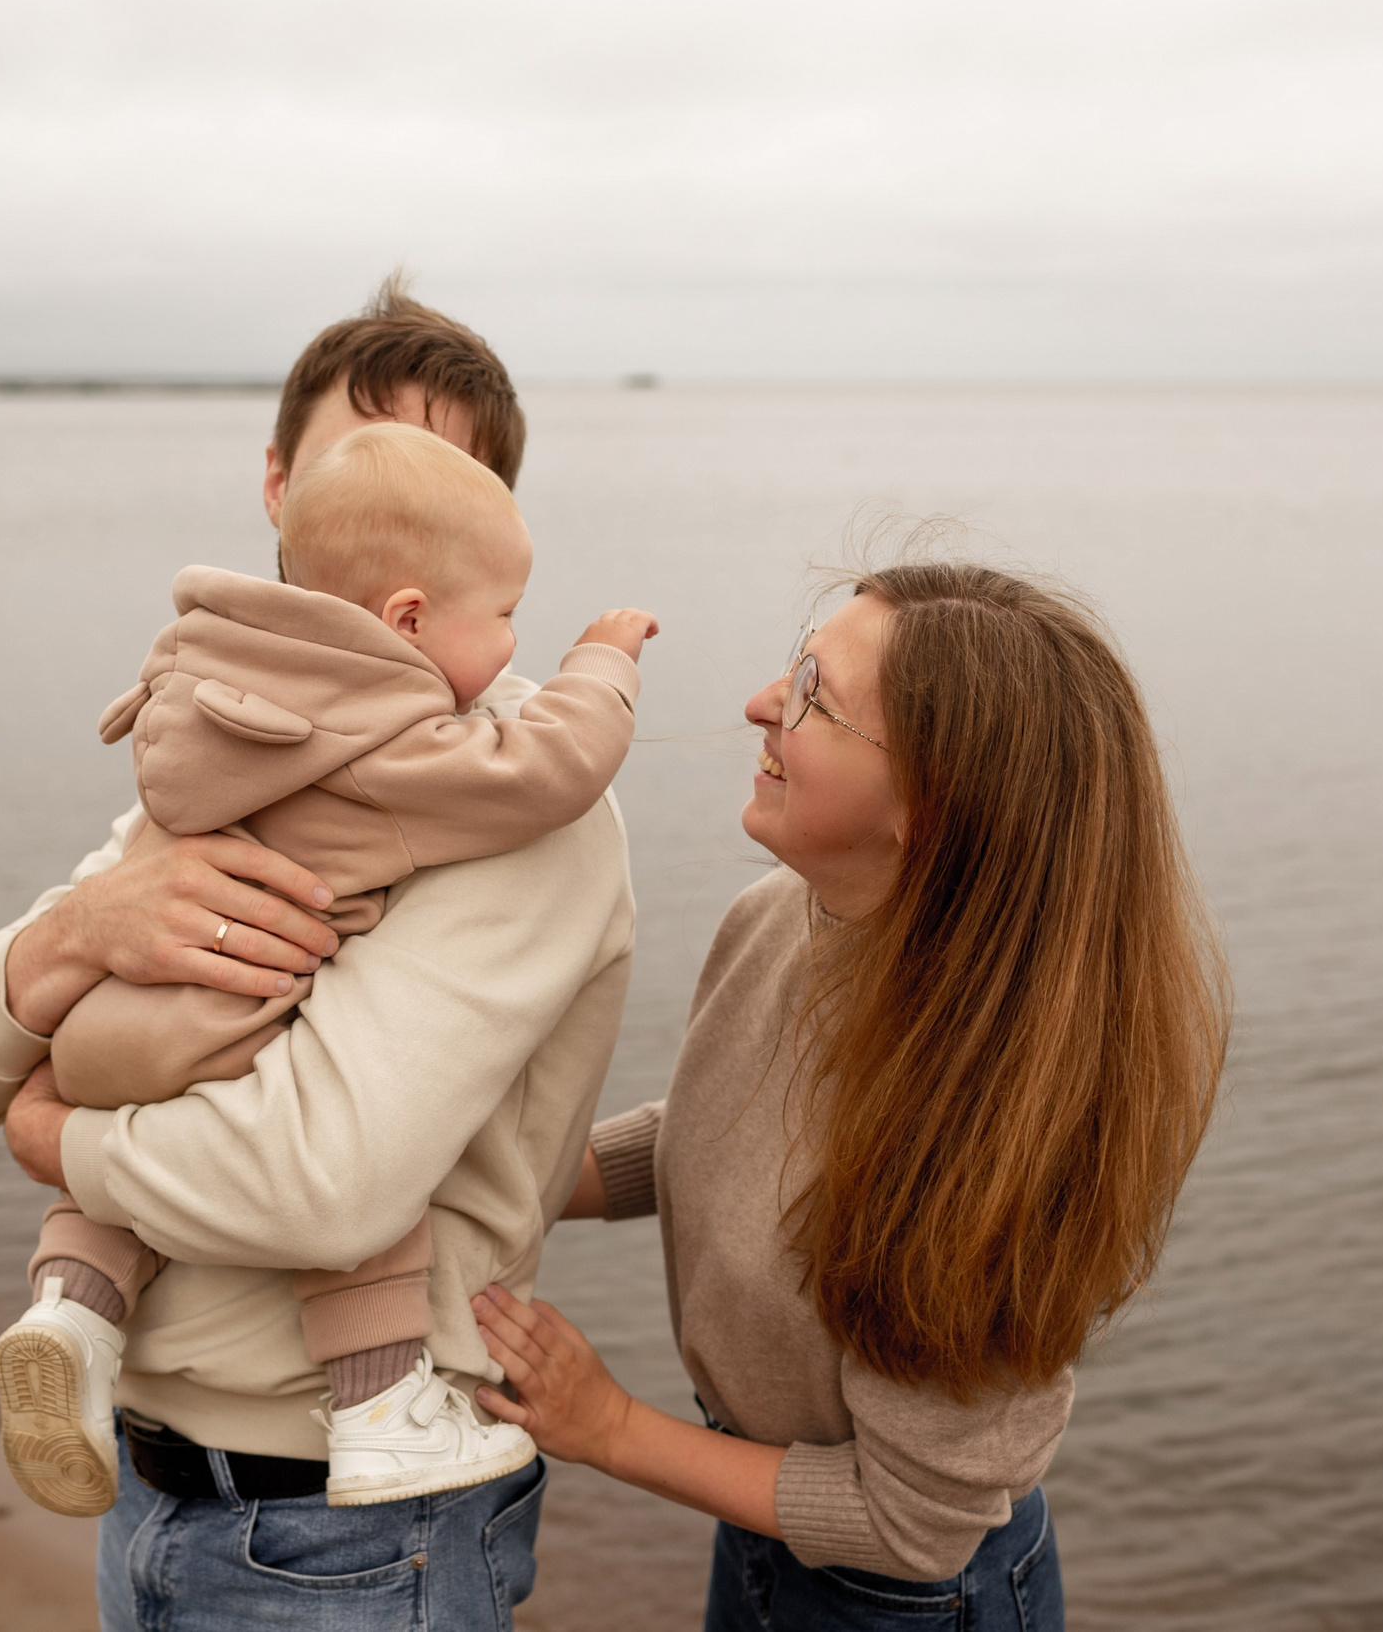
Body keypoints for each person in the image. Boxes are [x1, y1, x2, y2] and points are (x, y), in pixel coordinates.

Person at [0, 279, 636, 1629]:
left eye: (437, 475)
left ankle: (82, 1302)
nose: (390, 501)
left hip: (356, 1525)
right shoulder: (235, 737)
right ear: (279, 488)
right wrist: (78, 931)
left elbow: (320, 1189)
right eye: (359, 461)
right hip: (141, 1486)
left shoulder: (520, 799)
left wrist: (63, 1139)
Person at [472, 560, 1230, 1631]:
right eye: (795, 666)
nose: (759, 704)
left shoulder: (988, 1134)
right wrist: (493, 1170)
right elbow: (726, 1131)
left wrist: (609, 1426)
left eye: (813, 696)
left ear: (926, 807)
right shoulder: (777, 916)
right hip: (760, 1520)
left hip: (906, 1599)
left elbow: (912, 1523)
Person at [0, 420, 658, 1517]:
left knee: (135, 1144)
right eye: (504, 614)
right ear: (407, 619)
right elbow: (548, 767)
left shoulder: (211, 678)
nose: (513, 642)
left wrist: (58, 1126)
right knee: (378, 1166)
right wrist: (603, 661)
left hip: (113, 1023)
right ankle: (382, 1411)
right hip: (233, 1017)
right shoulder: (390, 739)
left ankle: (70, 1313)